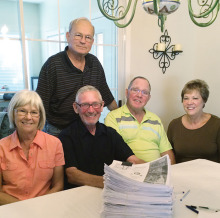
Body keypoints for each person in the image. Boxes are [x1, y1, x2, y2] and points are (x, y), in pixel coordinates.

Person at [36, 17, 117, 136]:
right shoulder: (53, 65)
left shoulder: (94, 63)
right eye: (78, 35)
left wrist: (124, 116)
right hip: (57, 131)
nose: (83, 41)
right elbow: (39, 106)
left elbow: (107, 96)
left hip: (87, 129)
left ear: (92, 41)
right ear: (68, 36)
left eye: (88, 37)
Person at [58, 85, 145, 189]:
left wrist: (153, 170)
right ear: (76, 108)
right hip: (78, 196)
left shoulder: (110, 133)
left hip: (109, 194)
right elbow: (72, 175)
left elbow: (133, 160)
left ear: (102, 106)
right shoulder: (66, 136)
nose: (91, 110)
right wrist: (111, 183)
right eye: (85, 105)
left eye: (95, 104)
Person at [0, 90, 65, 205]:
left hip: (43, 207)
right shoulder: (1, 147)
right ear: (13, 114)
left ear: (40, 116)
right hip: (10, 208)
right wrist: (25, 209)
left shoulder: (55, 144)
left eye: (34, 112)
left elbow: (58, 185)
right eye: (22, 111)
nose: (28, 117)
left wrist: (37, 207)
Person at [105, 76, 175, 164]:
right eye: (135, 90)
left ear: (149, 98)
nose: (139, 95)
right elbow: (116, 151)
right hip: (129, 172)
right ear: (127, 93)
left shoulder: (155, 120)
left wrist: (171, 171)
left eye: (145, 92)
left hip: (157, 173)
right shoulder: (113, 117)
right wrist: (150, 169)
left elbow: (166, 152)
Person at [167, 79, 220, 163]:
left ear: (204, 100)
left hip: (209, 174)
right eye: (186, 98)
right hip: (181, 174)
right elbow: (168, 157)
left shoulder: (217, 125)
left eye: (195, 98)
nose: (189, 102)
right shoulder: (174, 125)